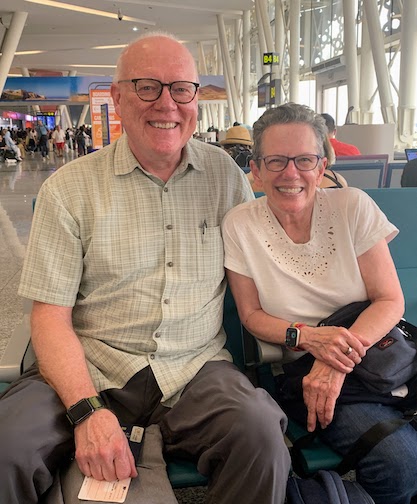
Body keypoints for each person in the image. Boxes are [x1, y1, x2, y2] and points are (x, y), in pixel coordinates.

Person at [0, 32, 290, 504]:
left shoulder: (227, 178)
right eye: (147, 87)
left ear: (196, 97)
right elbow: (49, 317)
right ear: (117, 97)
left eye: (181, 89)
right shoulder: (68, 190)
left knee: (261, 438)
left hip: (195, 366)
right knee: (7, 447)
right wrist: (86, 410)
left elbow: (270, 273)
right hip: (91, 364)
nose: (167, 104)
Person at [222, 103, 417, 504]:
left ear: (322, 164)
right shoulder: (241, 224)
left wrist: (333, 356)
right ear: (255, 170)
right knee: (399, 460)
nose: (290, 174)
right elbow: (251, 315)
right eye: (275, 161)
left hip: (375, 354)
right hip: (301, 371)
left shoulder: (353, 207)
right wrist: (311, 341)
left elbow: (389, 299)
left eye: (304, 160)